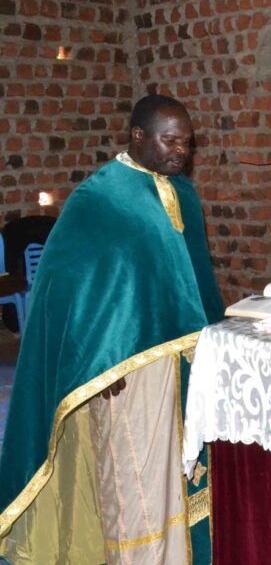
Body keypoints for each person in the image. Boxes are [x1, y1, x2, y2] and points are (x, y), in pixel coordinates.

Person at [0, 95, 224, 563]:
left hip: (180, 362)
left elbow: (193, 280)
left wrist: (214, 339)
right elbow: (66, 286)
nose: (179, 151)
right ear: (137, 136)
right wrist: (98, 362)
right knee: (134, 481)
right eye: (169, 140)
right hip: (123, 371)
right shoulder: (98, 198)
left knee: (178, 471)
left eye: (186, 142)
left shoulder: (181, 192)